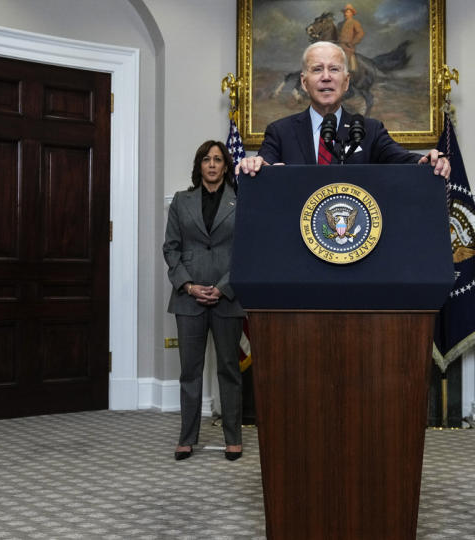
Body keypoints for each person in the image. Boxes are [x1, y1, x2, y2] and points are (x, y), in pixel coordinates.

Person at [236, 41, 450, 178]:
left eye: (334, 69)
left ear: (346, 82)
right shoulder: (280, 132)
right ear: (304, 82)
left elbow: (404, 160)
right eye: (317, 69)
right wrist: (255, 165)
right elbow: (264, 165)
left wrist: (427, 161)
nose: (326, 76)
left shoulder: (370, 130)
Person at [163, 140, 245, 462]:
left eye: (218, 159)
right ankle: (187, 438)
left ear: (226, 166)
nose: (212, 164)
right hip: (189, 300)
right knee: (190, 371)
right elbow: (171, 249)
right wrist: (188, 285)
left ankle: (233, 438)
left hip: (228, 298)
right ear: (199, 166)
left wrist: (223, 287)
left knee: (228, 370)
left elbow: (246, 250)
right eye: (206, 160)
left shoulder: (241, 201)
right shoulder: (182, 202)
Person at [338, 4, 365, 74]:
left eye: (347, 12)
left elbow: (361, 33)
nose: (345, 13)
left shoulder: (355, 23)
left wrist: (352, 42)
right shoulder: (340, 24)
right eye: (344, 12)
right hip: (339, 46)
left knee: (345, 63)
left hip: (348, 47)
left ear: (352, 13)